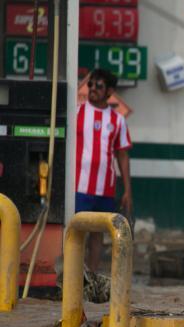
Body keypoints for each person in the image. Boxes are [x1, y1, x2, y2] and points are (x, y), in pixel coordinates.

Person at [75, 68, 132, 271]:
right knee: (77, 231)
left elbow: (123, 155)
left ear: (109, 91)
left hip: (105, 187)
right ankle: (74, 275)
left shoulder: (118, 120)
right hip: (78, 185)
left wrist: (127, 190)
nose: (93, 89)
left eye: (99, 86)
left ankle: (91, 276)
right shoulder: (77, 112)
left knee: (98, 233)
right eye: (91, 84)